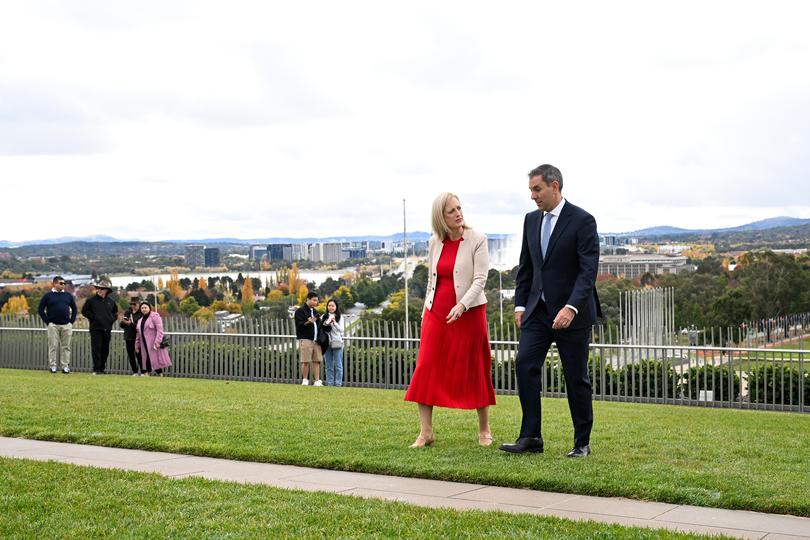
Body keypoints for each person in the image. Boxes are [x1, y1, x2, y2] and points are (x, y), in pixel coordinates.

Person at [500, 164, 602, 458]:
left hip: (573, 314)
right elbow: (527, 267)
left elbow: (587, 272)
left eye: (537, 189)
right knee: (524, 364)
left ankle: (582, 443)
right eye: (531, 190)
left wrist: (571, 307)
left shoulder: (583, 220)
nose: (533, 196)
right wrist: (521, 305)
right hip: (537, 313)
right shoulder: (531, 220)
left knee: (575, 378)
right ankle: (531, 437)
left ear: (554, 186)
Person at [404, 192, 496, 448]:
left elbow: (480, 279)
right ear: (440, 218)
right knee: (426, 366)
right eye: (451, 211)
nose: (458, 213)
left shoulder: (478, 239)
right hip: (436, 314)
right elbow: (432, 280)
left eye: (459, 208)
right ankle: (426, 433)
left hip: (469, 313)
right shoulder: (434, 243)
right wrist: (426, 312)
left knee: (476, 367)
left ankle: (484, 430)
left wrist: (462, 305)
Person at [37, 276, 77, 374]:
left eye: (64, 283)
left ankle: (65, 366)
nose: (63, 285)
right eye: (61, 283)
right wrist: (48, 322)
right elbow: (40, 310)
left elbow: (74, 309)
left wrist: (71, 322)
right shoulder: (48, 296)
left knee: (66, 347)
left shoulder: (68, 296)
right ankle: (53, 366)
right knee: (53, 346)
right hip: (53, 325)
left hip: (66, 325)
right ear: (54, 284)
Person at [81, 278, 118, 375]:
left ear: (106, 290)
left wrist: (111, 320)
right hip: (95, 329)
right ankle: (96, 369)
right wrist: (94, 318)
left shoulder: (111, 301)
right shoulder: (91, 301)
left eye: (102, 289)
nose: (99, 290)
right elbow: (84, 311)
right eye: (98, 288)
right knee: (96, 349)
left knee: (105, 349)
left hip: (107, 329)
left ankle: (102, 368)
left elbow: (115, 313)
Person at [135, 301, 172, 376]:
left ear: (149, 308)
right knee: (147, 359)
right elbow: (138, 333)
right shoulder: (140, 320)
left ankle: (153, 374)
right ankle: (154, 374)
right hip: (143, 343)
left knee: (153, 359)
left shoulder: (155, 316)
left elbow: (160, 329)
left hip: (153, 342)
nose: (144, 309)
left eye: (145, 307)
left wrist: (158, 341)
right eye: (142, 308)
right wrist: (136, 344)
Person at [294, 292, 323, 386]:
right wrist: (308, 322)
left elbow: (319, 325)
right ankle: (305, 380)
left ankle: (317, 381)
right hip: (306, 339)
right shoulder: (300, 311)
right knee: (305, 361)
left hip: (316, 340)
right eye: (314, 300)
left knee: (316, 361)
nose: (316, 302)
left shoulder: (315, 312)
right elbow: (299, 325)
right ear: (308, 299)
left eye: (317, 300)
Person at [321, 299, 345, 387]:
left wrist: (334, 323)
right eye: (329, 305)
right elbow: (321, 328)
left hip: (337, 342)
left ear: (336, 307)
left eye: (332, 305)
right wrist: (326, 323)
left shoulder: (339, 317)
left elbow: (342, 330)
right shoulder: (324, 316)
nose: (330, 307)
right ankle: (330, 383)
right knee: (328, 365)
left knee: (338, 365)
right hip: (326, 343)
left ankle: (338, 383)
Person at [120, 297, 143, 375]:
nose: (133, 306)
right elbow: (122, 325)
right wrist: (124, 322)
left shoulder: (141, 313)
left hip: (138, 338)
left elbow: (141, 325)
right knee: (131, 355)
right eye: (131, 304)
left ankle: (143, 371)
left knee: (139, 355)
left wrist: (131, 323)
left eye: (134, 304)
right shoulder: (128, 312)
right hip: (128, 337)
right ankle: (135, 371)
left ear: (139, 304)